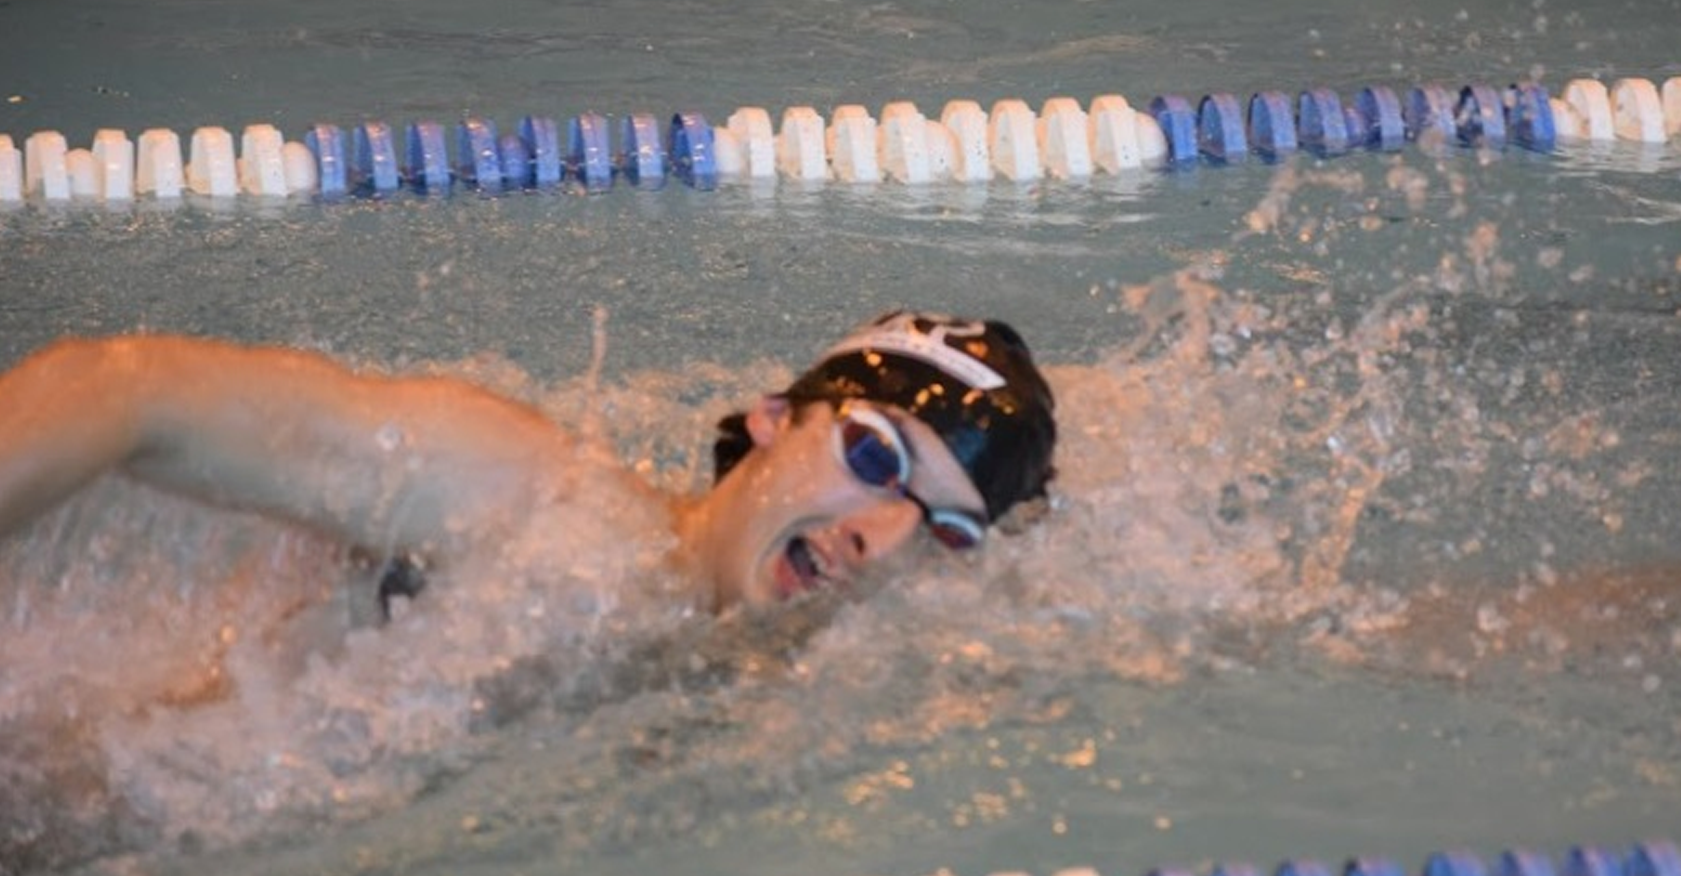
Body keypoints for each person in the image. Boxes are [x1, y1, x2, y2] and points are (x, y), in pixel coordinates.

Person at [0, 310, 1057, 613]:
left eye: (946, 525)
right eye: (874, 455)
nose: (883, 536)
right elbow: (127, 389)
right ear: (773, 419)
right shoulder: (530, 505)